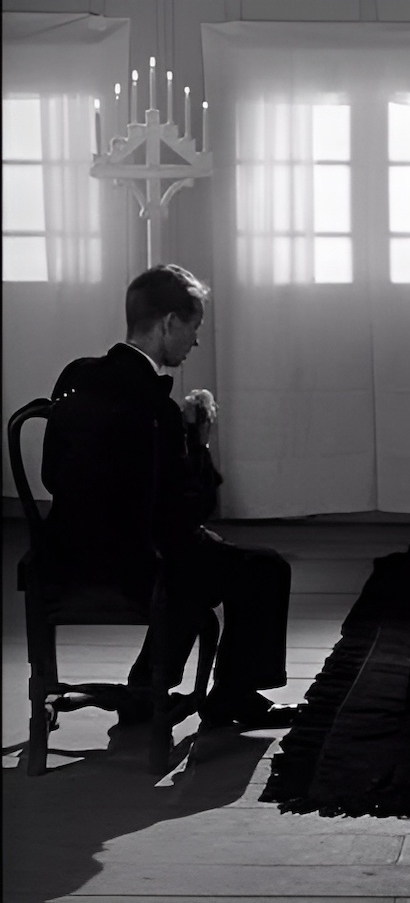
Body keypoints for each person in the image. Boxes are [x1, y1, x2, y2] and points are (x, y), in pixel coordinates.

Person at [41, 263, 298, 729]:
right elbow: (190, 510)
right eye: (194, 327)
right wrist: (198, 439)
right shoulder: (156, 407)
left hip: (64, 553)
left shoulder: (75, 377)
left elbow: (50, 474)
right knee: (263, 568)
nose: (195, 341)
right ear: (169, 323)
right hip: (139, 566)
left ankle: (146, 687)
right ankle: (232, 698)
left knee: (197, 553)